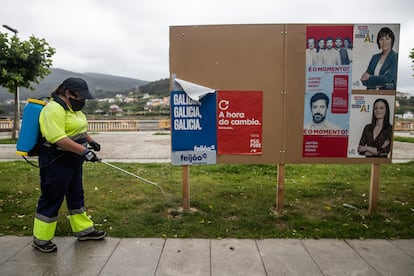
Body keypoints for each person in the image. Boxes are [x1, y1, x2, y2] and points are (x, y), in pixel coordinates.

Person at [32, 77, 106, 253]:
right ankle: (41, 239)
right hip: (56, 161)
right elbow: (58, 138)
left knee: (76, 195)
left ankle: (84, 230)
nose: (83, 101)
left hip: (73, 161)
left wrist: (90, 141)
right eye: (80, 97)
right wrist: (84, 151)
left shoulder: (73, 108)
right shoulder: (53, 109)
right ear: (68, 93)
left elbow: (77, 128)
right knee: (52, 198)